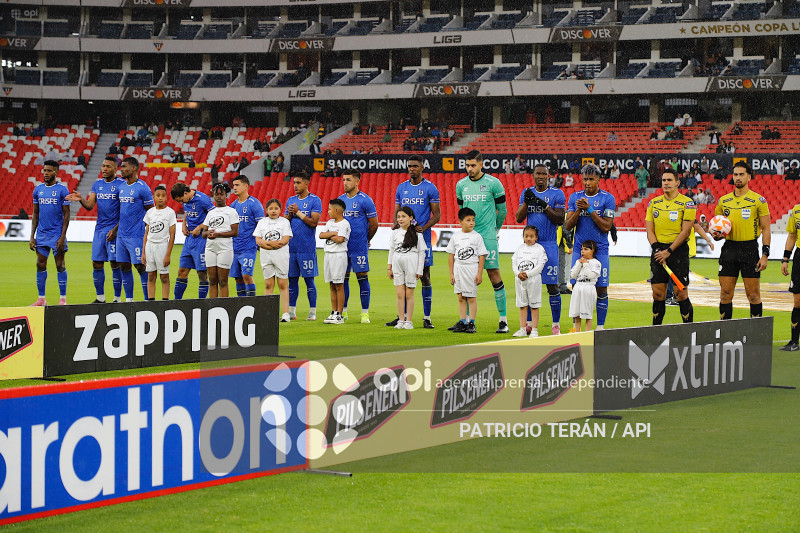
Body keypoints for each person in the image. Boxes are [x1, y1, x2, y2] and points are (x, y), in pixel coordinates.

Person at [456, 150, 509, 333]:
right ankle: (468, 322)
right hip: (468, 239)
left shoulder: (493, 183)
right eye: (467, 165)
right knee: (469, 279)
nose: (469, 169)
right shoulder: (461, 185)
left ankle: (503, 320)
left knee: (494, 275)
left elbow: (502, 211)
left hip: (487, 237)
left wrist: (495, 230)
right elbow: (462, 212)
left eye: (473, 165)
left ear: (481, 165)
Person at [386, 155, 441, 328]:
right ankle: (401, 317)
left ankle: (427, 317)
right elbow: (397, 213)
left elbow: (437, 215)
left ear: (422, 167)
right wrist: (396, 224)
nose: (411, 169)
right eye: (409, 166)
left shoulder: (430, 188)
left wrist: (422, 229)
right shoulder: (402, 188)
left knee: (425, 276)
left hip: (421, 237)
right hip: (403, 238)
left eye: (415, 166)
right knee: (400, 279)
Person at [712, 161, 770, 320]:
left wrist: (765, 255)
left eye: (741, 174)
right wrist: (717, 236)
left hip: (749, 249)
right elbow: (718, 229)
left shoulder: (759, 201)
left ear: (749, 177)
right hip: (729, 248)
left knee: (753, 295)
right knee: (725, 294)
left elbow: (766, 228)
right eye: (736, 174)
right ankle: (725, 333)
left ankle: (756, 335)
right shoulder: (723, 201)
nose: (738, 178)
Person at [515, 163, 566, 335]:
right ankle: (529, 324)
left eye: (544, 174)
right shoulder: (527, 192)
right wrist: (527, 203)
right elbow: (518, 218)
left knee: (552, 286)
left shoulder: (557, 194)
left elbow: (559, 219)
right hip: (530, 246)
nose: (541, 177)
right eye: (538, 174)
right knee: (528, 284)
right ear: (534, 175)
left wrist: (543, 205)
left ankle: (555, 324)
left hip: (550, 244)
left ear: (548, 176)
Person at [66, 156, 123, 303]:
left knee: (115, 264)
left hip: (114, 231)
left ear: (116, 170)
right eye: (103, 166)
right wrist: (81, 200)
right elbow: (90, 205)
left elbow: (126, 210)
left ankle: (117, 298)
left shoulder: (122, 185)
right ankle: (100, 298)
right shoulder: (97, 184)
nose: (104, 169)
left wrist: (116, 229)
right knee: (96, 263)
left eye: (108, 167)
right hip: (99, 230)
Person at [565, 164, 615, 330]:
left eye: (591, 179)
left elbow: (606, 226)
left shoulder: (608, 198)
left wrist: (590, 209)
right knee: (576, 286)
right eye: (585, 179)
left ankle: (600, 328)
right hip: (580, 250)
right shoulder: (575, 197)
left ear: (598, 179)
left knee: (601, 289)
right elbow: (568, 226)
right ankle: (576, 327)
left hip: (600, 250)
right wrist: (579, 210)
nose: (587, 182)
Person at [645, 169, 696, 325]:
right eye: (663, 180)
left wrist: (669, 251)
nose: (665, 183)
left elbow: (686, 231)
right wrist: (656, 249)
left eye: (669, 180)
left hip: (677, 251)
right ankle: (656, 331)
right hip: (658, 250)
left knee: (681, 294)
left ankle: (689, 331)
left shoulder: (687, 203)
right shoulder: (653, 203)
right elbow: (649, 230)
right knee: (658, 294)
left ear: (677, 183)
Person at [338, 170, 379, 323]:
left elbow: (374, 224)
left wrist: (365, 239)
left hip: (359, 247)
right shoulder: (340, 201)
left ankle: (365, 313)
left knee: (362, 279)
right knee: (343, 280)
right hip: (342, 247)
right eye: (343, 180)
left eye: (348, 180)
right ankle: (344, 311)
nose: (345, 183)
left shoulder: (365, 200)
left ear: (357, 182)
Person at [29, 160, 70, 306]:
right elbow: (35, 214)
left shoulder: (62, 190)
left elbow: (66, 215)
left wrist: (63, 236)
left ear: (56, 172)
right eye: (45, 170)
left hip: (56, 234)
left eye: (49, 171)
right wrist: (32, 236)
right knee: (40, 264)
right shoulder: (38, 190)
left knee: (60, 265)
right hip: (41, 234)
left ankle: (63, 299)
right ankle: (41, 299)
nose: (46, 173)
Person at [115, 157, 153, 301]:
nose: (122, 169)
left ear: (134, 168)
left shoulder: (143, 188)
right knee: (124, 266)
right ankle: (129, 300)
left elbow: (151, 212)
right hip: (121, 236)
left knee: (140, 267)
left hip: (136, 235)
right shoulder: (121, 187)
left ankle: (147, 300)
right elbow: (122, 212)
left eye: (124, 166)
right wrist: (116, 229)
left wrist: (147, 232)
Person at [284, 172, 322, 320]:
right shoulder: (291, 200)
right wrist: (288, 215)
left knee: (309, 280)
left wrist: (298, 213)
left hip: (306, 248)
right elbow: (285, 223)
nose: (295, 185)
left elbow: (314, 222)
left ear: (307, 183)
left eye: (298, 182)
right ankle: (292, 311)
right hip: (291, 248)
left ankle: (312, 311)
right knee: (292, 280)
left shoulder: (315, 200)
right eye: (294, 182)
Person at [447, 207, 488, 333]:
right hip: (459, 268)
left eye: (473, 220)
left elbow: (482, 255)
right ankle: (463, 322)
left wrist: (479, 273)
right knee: (460, 297)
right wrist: (451, 273)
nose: (471, 223)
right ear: (460, 222)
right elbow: (451, 255)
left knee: (471, 298)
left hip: (471, 268)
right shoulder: (456, 237)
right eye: (468, 220)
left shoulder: (477, 237)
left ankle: (472, 323)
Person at [171, 182, 215, 299]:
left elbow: (215, 216)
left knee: (202, 273)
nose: (181, 203)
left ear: (185, 193)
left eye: (181, 200)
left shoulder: (203, 199)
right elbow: (186, 210)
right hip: (189, 239)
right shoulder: (186, 200)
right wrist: (184, 224)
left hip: (201, 239)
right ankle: (177, 302)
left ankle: (201, 303)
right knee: (182, 271)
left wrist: (200, 227)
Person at [387, 206, 427, 329]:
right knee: (399, 294)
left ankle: (408, 321)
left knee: (409, 294)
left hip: (411, 264)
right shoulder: (395, 233)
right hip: (397, 264)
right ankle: (401, 320)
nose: (400, 219)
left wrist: (419, 270)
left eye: (404, 216)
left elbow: (422, 252)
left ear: (411, 218)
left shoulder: (417, 234)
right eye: (398, 217)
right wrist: (389, 267)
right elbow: (392, 250)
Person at [254, 198, 293, 322]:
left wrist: (267, 243)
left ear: (280, 210)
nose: (273, 211)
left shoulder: (284, 222)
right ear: (266, 210)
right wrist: (270, 244)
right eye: (271, 208)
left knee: (282, 284)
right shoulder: (262, 223)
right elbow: (258, 240)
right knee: (268, 284)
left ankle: (286, 313)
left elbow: (285, 240)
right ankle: (268, 312)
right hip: (266, 256)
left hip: (281, 256)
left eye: (276, 208)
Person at [199, 183, 239, 298]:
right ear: (213, 196)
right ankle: (213, 308)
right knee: (212, 281)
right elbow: (203, 233)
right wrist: (208, 233)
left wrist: (218, 234)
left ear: (226, 195)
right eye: (216, 194)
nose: (219, 196)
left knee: (222, 281)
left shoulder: (231, 211)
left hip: (225, 249)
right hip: (210, 248)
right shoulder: (211, 213)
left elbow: (235, 232)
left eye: (221, 194)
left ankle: (224, 309)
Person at [229, 175, 265, 298]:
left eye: (237, 185)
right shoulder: (233, 206)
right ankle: (241, 303)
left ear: (246, 186)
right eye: (233, 185)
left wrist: (259, 243)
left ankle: (251, 302)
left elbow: (261, 226)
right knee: (238, 278)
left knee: (246, 276)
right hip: (234, 248)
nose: (234, 188)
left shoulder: (255, 204)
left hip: (248, 248)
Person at [511, 225, 547, 338]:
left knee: (534, 305)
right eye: (526, 236)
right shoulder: (519, 248)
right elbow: (514, 263)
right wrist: (518, 273)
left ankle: (534, 330)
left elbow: (541, 265)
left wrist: (528, 274)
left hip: (533, 280)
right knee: (522, 305)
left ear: (536, 237)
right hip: (520, 281)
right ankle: (522, 329)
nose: (529, 238)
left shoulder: (539, 249)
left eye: (531, 236)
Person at [141, 184, 176, 300]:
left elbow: (172, 235)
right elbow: (146, 233)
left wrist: (168, 255)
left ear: (166, 198)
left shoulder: (170, 213)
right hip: (150, 246)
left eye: (163, 196)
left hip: (162, 246)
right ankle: (151, 302)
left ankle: (165, 302)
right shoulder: (150, 212)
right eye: (158, 195)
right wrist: (143, 252)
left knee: (164, 277)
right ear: (154, 197)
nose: (160, 198)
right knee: (151, 276)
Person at [319, 199, 351, 325]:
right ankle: (333, 312)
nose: (328, 212)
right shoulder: (330, 222)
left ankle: (339, 314)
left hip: (338, 255)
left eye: (329, 209)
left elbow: (340, 239)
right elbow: (321, 235)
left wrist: (329, 235)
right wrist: (332, 233)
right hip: (328, 254)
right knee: (331, 285)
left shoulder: (345, 224)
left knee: (339, 284)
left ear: (336, 210)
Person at [780, 203, 800, 351]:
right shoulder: (796, 209)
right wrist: (785, 259)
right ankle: (794, 342)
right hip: (799, 256)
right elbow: (792, 235)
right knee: (797, 301)